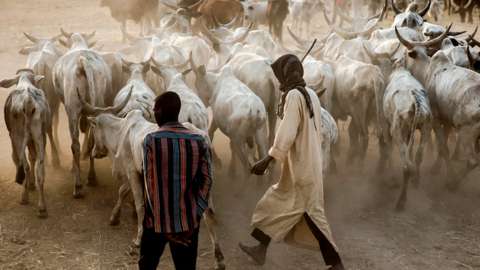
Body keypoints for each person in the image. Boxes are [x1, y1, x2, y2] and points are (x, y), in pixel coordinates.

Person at [239, 54, 346, 270]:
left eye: (280, 76)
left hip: (301, 168)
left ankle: (336, 264)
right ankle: (261, 249)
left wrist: (267, 160)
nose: (278, 81)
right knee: (275, 203)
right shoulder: (310, 95)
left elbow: (286, 133)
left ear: (284, 76)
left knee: (314, 216)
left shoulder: (294, 97)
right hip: (307, 164)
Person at [139, 92, 213, 270]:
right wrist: (194, 216)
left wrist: (164, 225)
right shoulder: (199, 141)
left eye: (155, 109)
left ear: (161, 111)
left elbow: (150, 186)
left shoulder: (151, 140)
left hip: (155, 223)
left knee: (147, 265)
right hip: (187, 224)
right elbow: (207, 181)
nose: (154, 112)